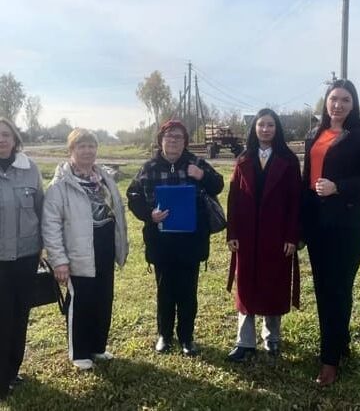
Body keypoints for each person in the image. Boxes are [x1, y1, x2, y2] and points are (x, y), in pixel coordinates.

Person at [302, 79, 360, 386]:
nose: (338, 105)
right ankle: (339, 343)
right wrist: (300, 225)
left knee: (338, 288)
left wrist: (339, 187)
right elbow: (305, 181)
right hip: (317, 224)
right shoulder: (314, 134)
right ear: (326, 101)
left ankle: (329, 361)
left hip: (349, 225)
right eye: (334, 98)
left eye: (345, 100)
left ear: (353, 104)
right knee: (325, 289)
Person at [127, 119, 223, 357]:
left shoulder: (196, 163)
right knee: (165, 290)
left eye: (178, 137)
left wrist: (202, 175)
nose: (173, 141)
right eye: (168, 136)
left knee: (188, 291)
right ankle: (164, 334)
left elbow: (218, 185)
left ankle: (187, 337)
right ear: (161, 140)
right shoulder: (149, 167)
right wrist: (149, 214)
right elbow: (133, 195)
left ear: (185, 142)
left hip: (191, 240)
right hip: (161, 241)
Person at [42, 129, 129, 371]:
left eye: (91, 146)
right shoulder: (60, 185)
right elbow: (50, 225)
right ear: (71, 150)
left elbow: (117, 213)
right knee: (81, 301)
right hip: (78, 252)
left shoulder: (104, 178)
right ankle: (79, 352)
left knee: (103, 298)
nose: (88, 151)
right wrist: (59, 260)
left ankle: (97, 346)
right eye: (81, 146)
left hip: (104, 249)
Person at [226, 108, 301, 362]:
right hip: (246, 235)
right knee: (246, 287)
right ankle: (244, 342)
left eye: (270, 125)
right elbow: (234, 198)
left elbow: (295, 201)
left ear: (277, 129)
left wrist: (292, 236)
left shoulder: (288, 161)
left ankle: (272, 338)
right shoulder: (243, 159)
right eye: (261, 125)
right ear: (254, 128)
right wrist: (232, 232)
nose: (265, 129)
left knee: (273, 285)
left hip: (276, 235)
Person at [0, 118, 44, 400]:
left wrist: (44, 249)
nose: (1, 139)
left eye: (5, 134)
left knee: (19, 316)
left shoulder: (31, 170)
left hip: (26, 258)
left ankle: (12, 370)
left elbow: (41, 210)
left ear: (15, 139)